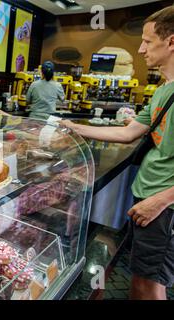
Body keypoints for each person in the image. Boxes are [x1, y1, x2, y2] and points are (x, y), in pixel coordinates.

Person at [61, 6, 174, 300]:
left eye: (147, 41)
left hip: (163, 208)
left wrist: (160, 202)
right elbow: (128, 132)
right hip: (148, 199)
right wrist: (76, 128)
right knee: (141, 279)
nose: (140, 48)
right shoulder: (164, 90)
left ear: (171, 42)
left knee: (150, 285)